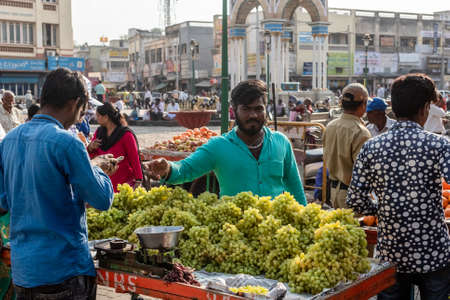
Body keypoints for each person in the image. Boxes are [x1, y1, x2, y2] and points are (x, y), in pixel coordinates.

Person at [0, 68, 117, 299]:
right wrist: (98, 168)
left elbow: (3, 202)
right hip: (63, 271)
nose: (84, 114)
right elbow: (102, 199)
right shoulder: (67, 143)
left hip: (25, 271)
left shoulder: (9, 141)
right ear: (75, 103)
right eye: (84, 108)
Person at [347, 74, 450, 300]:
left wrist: (381, 210)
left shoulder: (371, 147)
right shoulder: (439, 144)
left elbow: (355, 200)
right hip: (433, 253)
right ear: (425, 108)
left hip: (391, 253)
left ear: (393, 106)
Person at [146, 80, 307, 205]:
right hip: (234, 235)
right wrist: (167, 168)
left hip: (275, 233)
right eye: (246, 109)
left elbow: (295, 187)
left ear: (266, 109)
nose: (253, 115)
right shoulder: (218, 146)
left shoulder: (281, 142)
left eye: (258, 109)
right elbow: (185, 169)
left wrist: (305, 220)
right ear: (234, 109)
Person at [323, 83, 371, 209]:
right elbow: (364, 172)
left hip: (333, 192)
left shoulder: (330, 126)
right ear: (363, 104)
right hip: (352, 195)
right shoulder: (361, 132)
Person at [88, 102, 143, 192]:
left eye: (98, 116)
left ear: (106, 117)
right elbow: (92, 158)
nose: (96, 118)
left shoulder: (126, 134)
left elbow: (134, 158)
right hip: (103, 182)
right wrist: (90, 147)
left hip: (124, 183)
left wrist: (138, 179)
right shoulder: (99, 132)